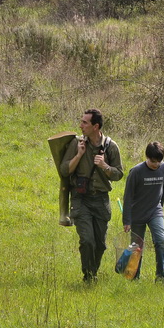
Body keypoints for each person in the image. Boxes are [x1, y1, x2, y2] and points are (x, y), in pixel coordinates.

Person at [59, 108, 123, 283]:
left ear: (96, 126)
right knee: (87, 241)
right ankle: (88, 276)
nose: (81, 126)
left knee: (100, 245)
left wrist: (105, 166)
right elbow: (64, 170)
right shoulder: (77, 144)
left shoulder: (111, 146)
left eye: (85, 122)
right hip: (81, 199)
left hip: (101, 200)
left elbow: (118, 174)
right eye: (81, 121)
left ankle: (92, 272)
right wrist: (79, 155)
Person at [122, 141, 164, 282]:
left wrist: (160, 207)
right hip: (137, 214)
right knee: (137, 247)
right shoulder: (136, 172)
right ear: (147, 157)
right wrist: (127, 220)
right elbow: (128, 197)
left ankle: (162, 278)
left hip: (155, 211)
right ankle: (134, 277)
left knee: (161, 241)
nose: (156, 165)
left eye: (159, 161)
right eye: (153, 161)